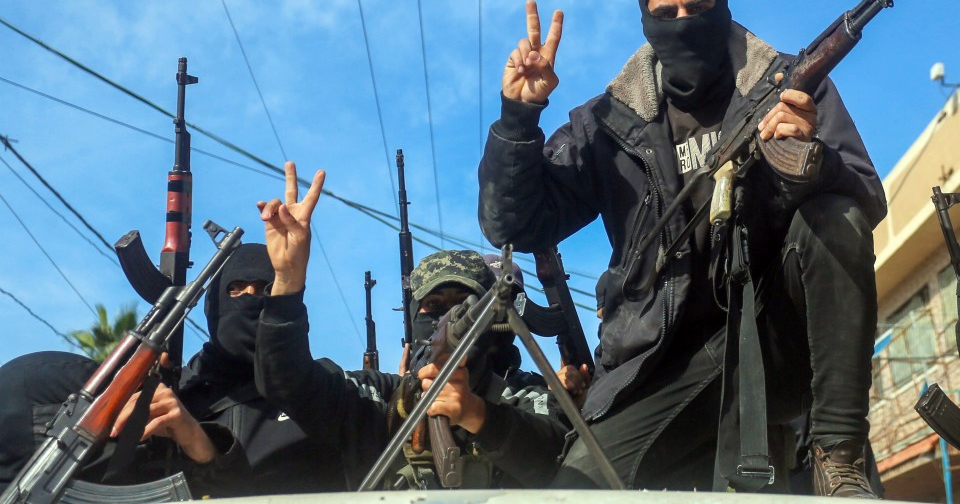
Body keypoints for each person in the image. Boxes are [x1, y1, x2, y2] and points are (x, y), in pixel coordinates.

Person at [478, 0, 885, 497]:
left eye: (699, 6)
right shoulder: (606, 123)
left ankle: (839, 454)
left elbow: (862, 198)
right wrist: (518, 116)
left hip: (780, 330)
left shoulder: (789, 83)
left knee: (832, 213)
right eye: (665, 13)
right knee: (579, 487)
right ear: (645, 23)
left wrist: (813, 158)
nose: (684, 22)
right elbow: (514, 224)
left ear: (723, 5)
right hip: (662, 360)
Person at [253, 162, 568, 489]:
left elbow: (562, 456)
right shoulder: (379, 397)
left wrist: (478, 415)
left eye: (465, 304)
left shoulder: (517, 396)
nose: (449, 314)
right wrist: (287, 281)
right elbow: (287, 383)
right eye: (433, 306)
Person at [0, 242, 344, 498]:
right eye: (235, 289)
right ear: (214, 305)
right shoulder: (173, 393)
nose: (249, 298)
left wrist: (203, 446)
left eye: (265, 289)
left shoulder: (318, 395)